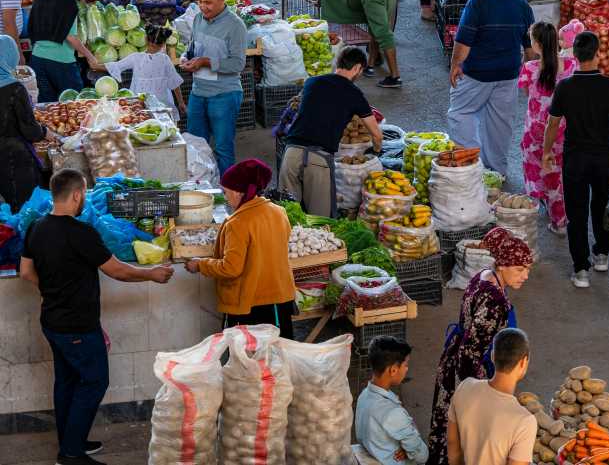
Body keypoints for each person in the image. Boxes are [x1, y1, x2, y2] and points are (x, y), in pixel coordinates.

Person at [20, 169, 173, 465]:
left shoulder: (36, 227)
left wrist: (50, 290)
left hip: (51, 321)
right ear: (77, 195)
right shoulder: (82, 233)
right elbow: (117, 270)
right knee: (94, 382)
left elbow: (26, 272)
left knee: (66, 382)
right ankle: (70, 454)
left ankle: (71, 441)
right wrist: (151, 274)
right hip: (77, 325)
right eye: (84, 195)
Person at [428, 227, 533, 465]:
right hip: (464, 367)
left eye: (528, 269)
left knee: (448, 425)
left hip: (454, 354)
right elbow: (471, 351)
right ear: (502, 265)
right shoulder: (495, 301)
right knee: (463, 431)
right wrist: (475, 393)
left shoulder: (484, 275)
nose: (525, 275)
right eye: (519, 269)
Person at [543, 31, 609, 289]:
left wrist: (547, 151)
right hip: (605, 158)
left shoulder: (565, 87)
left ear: (575, 55)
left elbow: (552, 123)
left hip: (575, 159)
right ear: (598, 53)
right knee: (602, 206)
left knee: (576, 212)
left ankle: (581, 269)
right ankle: (602, 255)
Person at [185, 159, 296, 338]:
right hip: (281, 300)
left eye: (226, 192)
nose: (225, 197)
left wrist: (200, 264)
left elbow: (231, 268)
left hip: (251, 306)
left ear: (238, 192)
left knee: (249, 353)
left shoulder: (238, 223)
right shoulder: (278, 212)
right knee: (279, 350)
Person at [447, 0, 534, 180]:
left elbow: (463, 40)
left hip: (477, 73)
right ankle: (496, 172)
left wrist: (456, 65)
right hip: (509, 73)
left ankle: (470, 166)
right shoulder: (522, 4)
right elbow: (529, 44)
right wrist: (530, 70)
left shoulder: (477, 3)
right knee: (500, 124)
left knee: (462, 113)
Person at [279, 46, 383, 215]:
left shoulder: (312, 82)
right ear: (357, 68)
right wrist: (376, 150)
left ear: (338, 63)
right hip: (318, 159)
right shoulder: (354, 93)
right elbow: (377, 134)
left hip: (290, 154)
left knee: (286, 215)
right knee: (320, 220)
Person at [181, 0, 248, 174]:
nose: (203, 7)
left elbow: (238, 64)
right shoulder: (198, 19)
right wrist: (186, 57)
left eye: (208, 2)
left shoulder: (235, 26)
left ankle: (228, 189)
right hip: (198, 93)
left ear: (221, 0)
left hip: (224, 95)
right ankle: (201, 185)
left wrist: (206, 62)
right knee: (195, 146)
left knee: (223, 149)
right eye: (200, 1)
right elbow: (191, 47)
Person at [519, 22, 577, 236]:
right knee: (558, 174)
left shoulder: (529, 68)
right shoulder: (572, 65)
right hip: (563, 130)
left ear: (537, 44)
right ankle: (561, 213)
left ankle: (556, 220)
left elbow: (528, 95)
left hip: (536, 132)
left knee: (541, 172)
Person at [446, 328, 536, 465]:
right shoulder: (525, 421)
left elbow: (452, 444)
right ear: (523, 362)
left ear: (493, 356)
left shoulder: (465, 386)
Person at [28, 0, 103, 103]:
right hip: (61, 62)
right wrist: (90, 56)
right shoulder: (68, 1)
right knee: (74, 102)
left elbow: (31, 27)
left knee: (47, 106)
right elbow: (70, 37)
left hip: (37, 59)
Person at [0, 35, 55, 212]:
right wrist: (46, 132)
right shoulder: (14, 88)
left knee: (8, 205)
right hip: (14, 158)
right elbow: (30, 130)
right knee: (25, 208)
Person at [355, 336, 429, 465]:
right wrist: (410, 448)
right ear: (393, 370)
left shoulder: (364, 396)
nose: (407, 369)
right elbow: (422, 456)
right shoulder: (393, 413)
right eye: (405, 365)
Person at [105, 23, 186, 120]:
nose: (153, 47)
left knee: (143, 123)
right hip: (158, 105)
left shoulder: (137, 57)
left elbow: (115, 66)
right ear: (163, 44)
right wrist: (181, 102)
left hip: (143, 105)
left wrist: (94, 63)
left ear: (145, 39)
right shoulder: (164, 59)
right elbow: (174, 82)